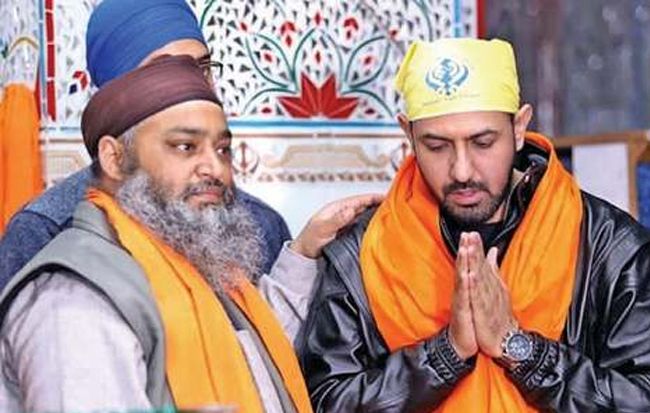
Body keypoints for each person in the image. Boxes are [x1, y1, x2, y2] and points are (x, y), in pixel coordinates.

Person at [297, 38, 650, 412]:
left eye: (483, 142)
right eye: (437, 146)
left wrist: (522, 351)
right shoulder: (363, 254)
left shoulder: (609, 248)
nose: (462, 170)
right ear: (408, 135)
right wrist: (445, 354)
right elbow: (326, 402)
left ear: (519, 127)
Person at [0, 55, 332, 413]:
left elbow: (255, 359)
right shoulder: (74, 301)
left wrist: (303, 252)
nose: (214, 168)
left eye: (222, 149)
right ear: (114, 159)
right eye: (185, 147)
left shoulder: (195, 263)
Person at [0, 0, 293, 285]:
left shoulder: (260, 226)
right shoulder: (44, 232)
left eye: (202, 69)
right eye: (165, 72)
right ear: (115, 99)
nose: (194, 87)